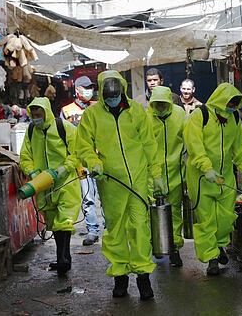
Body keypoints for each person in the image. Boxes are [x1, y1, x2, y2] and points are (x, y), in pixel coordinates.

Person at [75, 70, 165, 300]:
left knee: (140, 229)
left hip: (137, 181)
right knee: (115, 231)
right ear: (102, 94)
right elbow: (83, 145)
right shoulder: (92, 114)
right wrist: (93, 162)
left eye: (115, 95)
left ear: (122, 91)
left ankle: (143, 277)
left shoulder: (136, 111)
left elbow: (149, 145)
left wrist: (155, 175)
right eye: (108, 96)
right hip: (110, 182)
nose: (112, 99)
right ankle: (120, 277)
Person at [183, 82, 242, 276]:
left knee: (226, 218)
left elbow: (238, 146)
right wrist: (206, 168)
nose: (231, 109)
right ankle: (212, 259)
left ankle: (220, 246)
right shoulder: (199, 116)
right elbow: (194, 145)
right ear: (221, 101)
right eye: (230, 104)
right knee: (206, 220)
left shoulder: (234, 117)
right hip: (202, 178)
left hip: (225, 176)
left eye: (235, 106)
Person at [19, 97, 81, 277]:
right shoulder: (32, 131)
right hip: (43, 184)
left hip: (65, 183)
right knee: (53, 222)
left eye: (39, 114)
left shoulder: (64, 127)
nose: (35, 118)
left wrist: (64, 168)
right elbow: (25, 156)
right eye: (33, 115)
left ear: (46, 112)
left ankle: (63, 258)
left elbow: (77, 152)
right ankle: (62, 257)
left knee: (65, 221)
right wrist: (31, 172)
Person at [60, 75, 104, 246]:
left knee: (104, 196)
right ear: (77, 90)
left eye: (91, 87)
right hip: (80, 162)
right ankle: (93, 230)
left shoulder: (98, 107)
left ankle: (109, 228)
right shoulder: (67, 111)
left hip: (100, 159)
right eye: (86, 87)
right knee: (88, 197)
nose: (89, 91)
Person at [147, 86, 186, 267]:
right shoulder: (146, 118)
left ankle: (175, 249)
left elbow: (188, 140)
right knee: (151, 213)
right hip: (152, 176)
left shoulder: (180, 115)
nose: (160, 108)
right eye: (157, 104)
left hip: (176, 173)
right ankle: (156, 244)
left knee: (175, 212)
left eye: (164, 104)